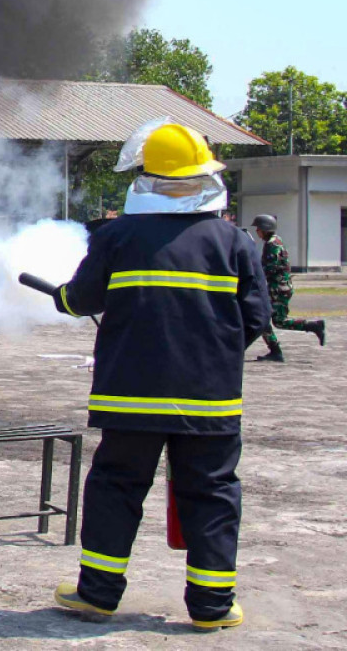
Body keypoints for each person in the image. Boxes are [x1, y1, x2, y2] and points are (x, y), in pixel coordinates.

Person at [48, 122, 270, 632]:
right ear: (204, 176)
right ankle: (213, 607)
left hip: (130, 398)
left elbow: (82, 300)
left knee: (116, 487)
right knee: (212, 493)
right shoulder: (235, 242)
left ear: (146, 177)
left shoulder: (119, 235)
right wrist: (212, 358)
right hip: (209, 401)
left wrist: (62, 297)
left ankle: (97, 595)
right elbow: (256, 318)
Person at [251, 214, 325, 362]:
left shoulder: (272, 245)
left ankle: (275, 351)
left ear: (265, 229)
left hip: (277, 288)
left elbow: (269, 268)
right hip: (281, 287)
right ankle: (313, 326)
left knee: (263, 319)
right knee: (279, 321)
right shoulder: (276, 241)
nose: (257, 232)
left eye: (258, 228)